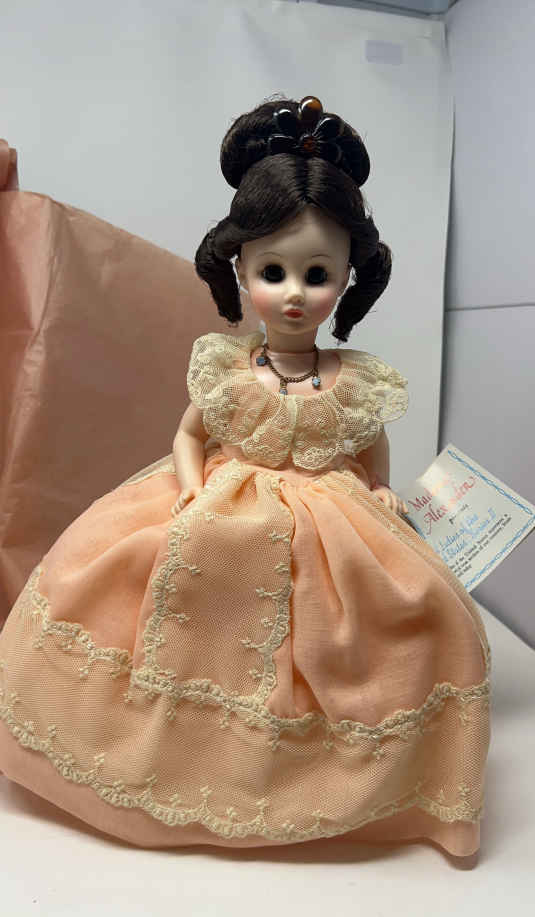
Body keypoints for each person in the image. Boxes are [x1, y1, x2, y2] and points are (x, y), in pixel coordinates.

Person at [0, 96, 490, 861]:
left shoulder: (353, 381)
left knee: (380, 619)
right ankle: (159, 765)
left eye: (316, 274)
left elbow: (368, 447)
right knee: (167, 609)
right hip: (223, 502)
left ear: (347, 278)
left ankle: (332, 782)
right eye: (272, 271)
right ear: (239, 268)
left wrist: (378, 489)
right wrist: (191, 482)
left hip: (331, 515)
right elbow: (188, 433)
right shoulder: (229, 369)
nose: (293, 293)